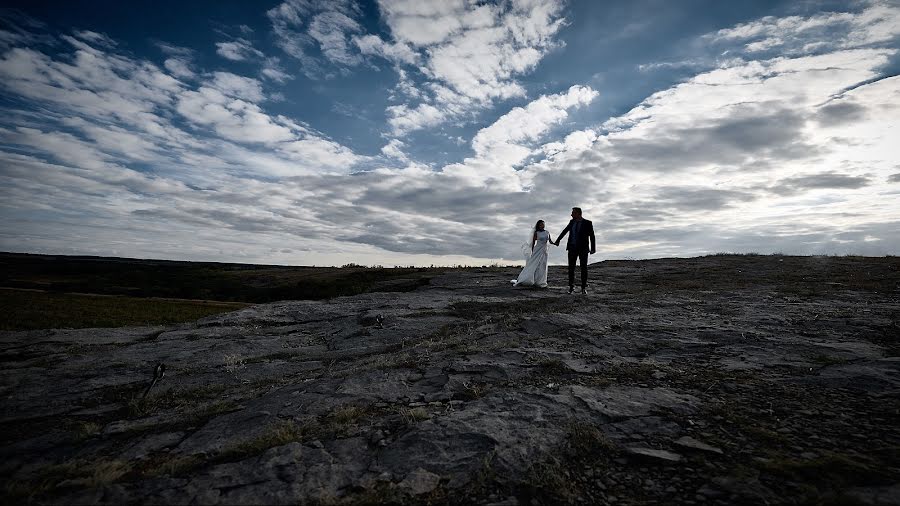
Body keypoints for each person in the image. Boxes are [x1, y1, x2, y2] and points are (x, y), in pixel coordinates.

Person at [554, 207, 595, 294]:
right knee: (571, 268)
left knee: (583, 268)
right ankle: (571, 287)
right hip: (572, 248)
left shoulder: (587, 223)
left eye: (573, 213)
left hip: (583, 249)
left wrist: (593, 248)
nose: (571, 214)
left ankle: (583, 288)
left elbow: (592, 236)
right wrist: (558, 240)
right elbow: (565, 231)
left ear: (578, 213)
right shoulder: (571, 222)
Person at [512, 219, 555, 288]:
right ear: (538, 225)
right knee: (535, 264)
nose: (542, 226)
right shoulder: (536, 233)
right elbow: (533, 243)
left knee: (542, 265)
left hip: (544, 251)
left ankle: (540, 281)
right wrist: (532, 251)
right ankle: (529, 279)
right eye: (541, 224)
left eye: (543, 224)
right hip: (537, 250)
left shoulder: (547, 232)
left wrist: (555, 243)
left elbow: (550, 241)